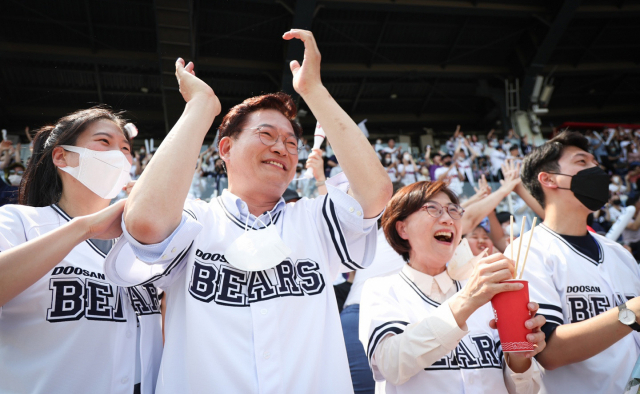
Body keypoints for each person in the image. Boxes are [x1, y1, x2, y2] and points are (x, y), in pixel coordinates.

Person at [104, 30, 392, 393]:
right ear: (225, 147)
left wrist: (314, 91)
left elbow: (375, 193)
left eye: (291, 142)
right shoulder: (195, 219)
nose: (282, 149)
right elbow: (143, 222)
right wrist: (200, 108)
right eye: (267, 135)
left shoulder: (313, 220)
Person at [0, 108, 162, 394]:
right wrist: (84, 228)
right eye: (104, 142)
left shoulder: (140, 241)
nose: (120, 155)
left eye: (126, 148)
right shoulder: (18, 221)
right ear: (62, 156)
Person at [359, 181, 545, 394]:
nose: (448, 219)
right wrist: (467, 300)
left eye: (453, 211)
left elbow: (525, 390)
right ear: (402, 228)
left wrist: (520, 357)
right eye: (433, 209)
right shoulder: (383, 289)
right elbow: (391, 366)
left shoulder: (485, 293)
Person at [519, 130, 640, 394]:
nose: (596, 169)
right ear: (548, 179)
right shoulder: (527, 252)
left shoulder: (620, 253)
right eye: (582, 162)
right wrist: (632, 313)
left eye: (595, 163)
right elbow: (549, 353)